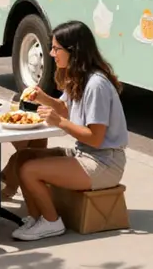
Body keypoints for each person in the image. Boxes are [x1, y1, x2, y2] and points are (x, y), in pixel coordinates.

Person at [9, 20, 128, 242]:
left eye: (56, 49)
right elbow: (66, 108)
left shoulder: (96, 85)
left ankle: (52, 222)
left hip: (103, 163)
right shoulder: (79, 78)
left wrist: (59, 122)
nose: (52, 54)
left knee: (29, 170)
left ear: (73, 51)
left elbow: (95, 137)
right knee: (22, 157)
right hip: (86, 155)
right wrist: (44, 98)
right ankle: (36, 218)